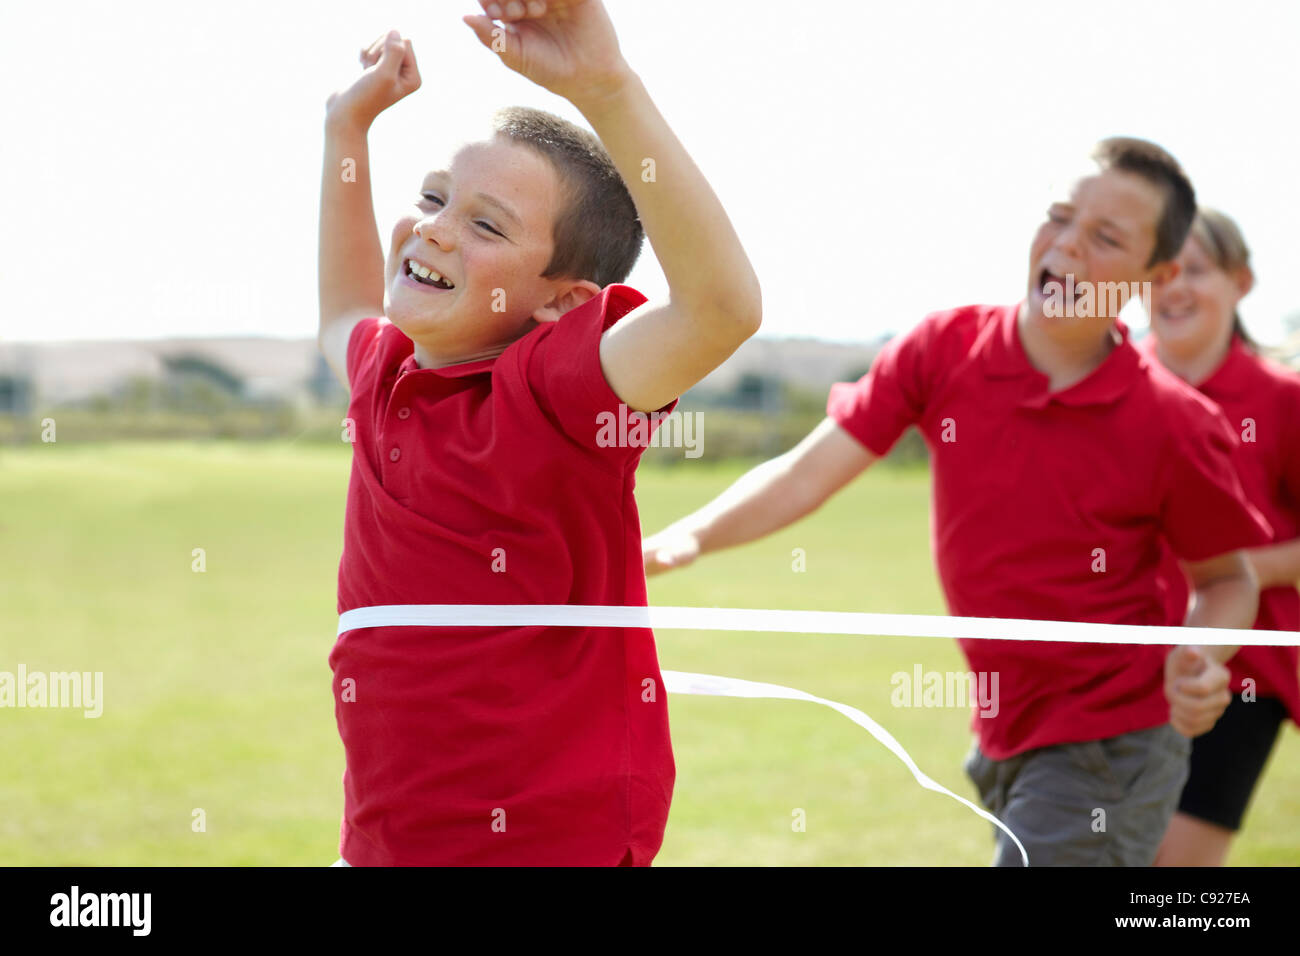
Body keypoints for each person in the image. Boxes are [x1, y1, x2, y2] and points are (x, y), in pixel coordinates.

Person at [643, 138, 1270, 866]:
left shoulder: (1174, 423)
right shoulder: (945, 349)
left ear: (1156, 276)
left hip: (1112, 741)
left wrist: (1200, 653)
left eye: (1104, 237)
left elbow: (1228, 579)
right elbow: (805, 474)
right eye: (1059, 215)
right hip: (1003, 732)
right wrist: (686, 538)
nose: (1066, 244)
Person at [317, 0, 761, 865]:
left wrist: (607, 88)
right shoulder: (385, 372)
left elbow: (719, 310)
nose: (436, 227)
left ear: (560, 304)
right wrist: (347, 129)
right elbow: (343, 307)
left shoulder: (558, 395)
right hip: (386, 845)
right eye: (434, 197)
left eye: (486, 224)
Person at [1142, 209, 1300, 866]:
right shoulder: (1108, 391)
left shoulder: (1282, 399)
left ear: (1242, 282)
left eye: (1197, 269)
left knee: (1173, 876)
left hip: (1234, 675)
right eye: (1161, 270)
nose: (1175, 287)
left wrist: (1231, 572)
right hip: (1116, 666)